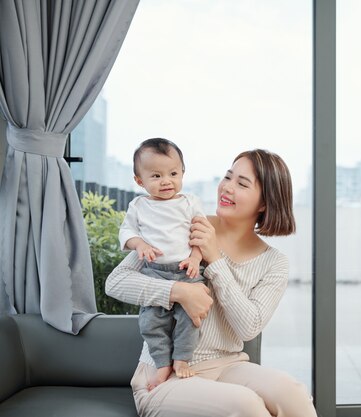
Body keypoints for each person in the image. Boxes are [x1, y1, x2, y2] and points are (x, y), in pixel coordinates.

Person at [106, 149, 318, 417]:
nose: (227, 188)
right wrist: (179, 291)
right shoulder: (185, 225)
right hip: (165, 376)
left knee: (294, 393)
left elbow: (249, 326)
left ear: (264, 203)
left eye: (241, 184)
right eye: (228, 177)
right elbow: (116, 282)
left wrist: (214, 259)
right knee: (246, 406)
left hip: (228, 366)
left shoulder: (274, 262)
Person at [118, 138, 206, 390]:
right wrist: (140, 245)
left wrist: (196, 257)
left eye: (173, 173)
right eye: (156, 175)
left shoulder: (189, 202)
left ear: (183, 174)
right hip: (154, 273)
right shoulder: (138, 206)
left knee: (191, 317)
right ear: (139, 181)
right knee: (150, 321)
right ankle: (161, 362)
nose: (166, 181)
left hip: (185, 270)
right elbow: (127, 232)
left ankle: (181, 359)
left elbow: (199, 233)